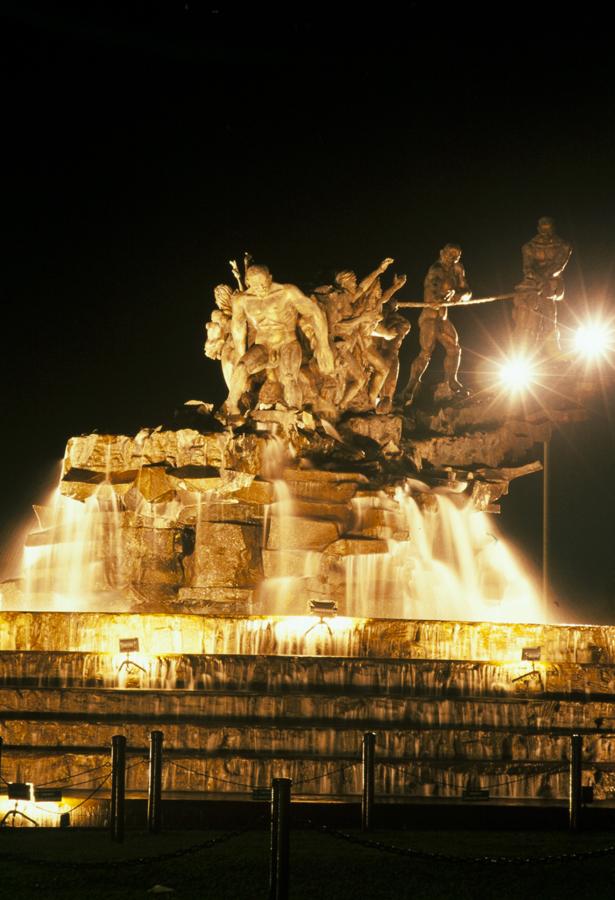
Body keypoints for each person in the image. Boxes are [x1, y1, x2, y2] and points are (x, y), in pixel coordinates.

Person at [224, 264, 334, 416]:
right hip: (262, 345)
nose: (260, 287)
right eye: (255, 285)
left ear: (270, 278)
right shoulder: (242, 300)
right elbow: (238, 327)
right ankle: (231, 407)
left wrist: (324, 345)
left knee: (289, 376)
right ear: (248, 282)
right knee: (242, 367)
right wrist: (240, 353)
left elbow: (315, 312)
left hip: (287, 342)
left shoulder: (287, 292)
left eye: (263, 283)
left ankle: (294, 412)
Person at [402, 243, 471, 405]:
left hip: (443, 317)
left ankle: (452, 381)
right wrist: (441, 297)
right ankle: (411, 386)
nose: (452, 258)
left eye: (456, 255)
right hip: (430, 317)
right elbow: (432, 289)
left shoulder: (458, 269)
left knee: (454, 348)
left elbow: (467, 291)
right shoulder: (436, 269)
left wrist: (459, 295)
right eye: (449, 254)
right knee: (426, 352)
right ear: (442, 253)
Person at [513, 217, 572, 355]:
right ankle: (524, 341)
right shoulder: (529, 247)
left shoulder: (564, 246)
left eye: (549, 229)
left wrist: (544, 281)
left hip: (552, 282)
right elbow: (527, 268)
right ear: (539, 229)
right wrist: (537, 279)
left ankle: (552, 343)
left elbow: (558, 265)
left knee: (548, 306)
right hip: (532, 282)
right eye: (543, 229)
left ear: (553, 228)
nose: (546, 233)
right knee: (525, 305)